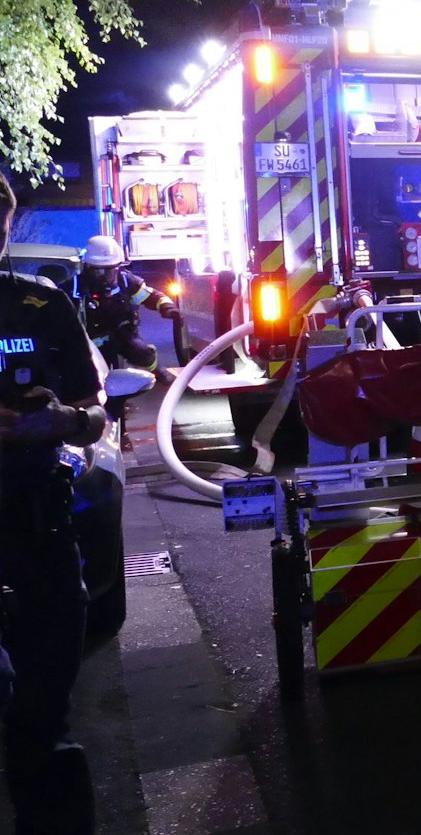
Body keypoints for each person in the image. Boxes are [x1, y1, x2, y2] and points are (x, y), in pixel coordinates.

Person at [1, 173, 108, 834]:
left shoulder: (41, 305)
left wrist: (61, 419)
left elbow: (94, 416)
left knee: (43, 721)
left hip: (37, 530)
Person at [80, 234, 179, 373]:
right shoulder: (75, 289)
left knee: (141, 352)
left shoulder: (126, 281)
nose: (105, 276)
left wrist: (166, 306)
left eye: (111, 270)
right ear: (87, 267)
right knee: (90, 370)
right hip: (90, 342)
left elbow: (151, 296)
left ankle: (157, 371)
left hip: (123, 334)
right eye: (98, 270)